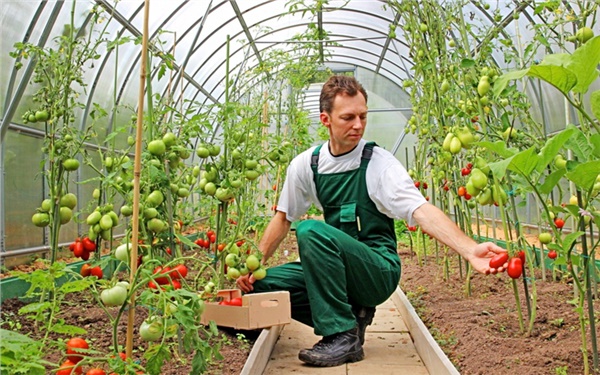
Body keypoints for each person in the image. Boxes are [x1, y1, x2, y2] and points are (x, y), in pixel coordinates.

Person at [236, 75, 507, 367]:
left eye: (363, 116)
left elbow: (420, 209)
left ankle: (342, 335)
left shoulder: (378, 164)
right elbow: (283, 217)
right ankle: (352, 317)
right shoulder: (307, 164)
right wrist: (253, 267)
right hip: (335, 270)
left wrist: (469, 249)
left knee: (311, 230)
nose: (358, 125)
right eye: (348, 117)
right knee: (258, 289)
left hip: (376, 270)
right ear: (325, 119)